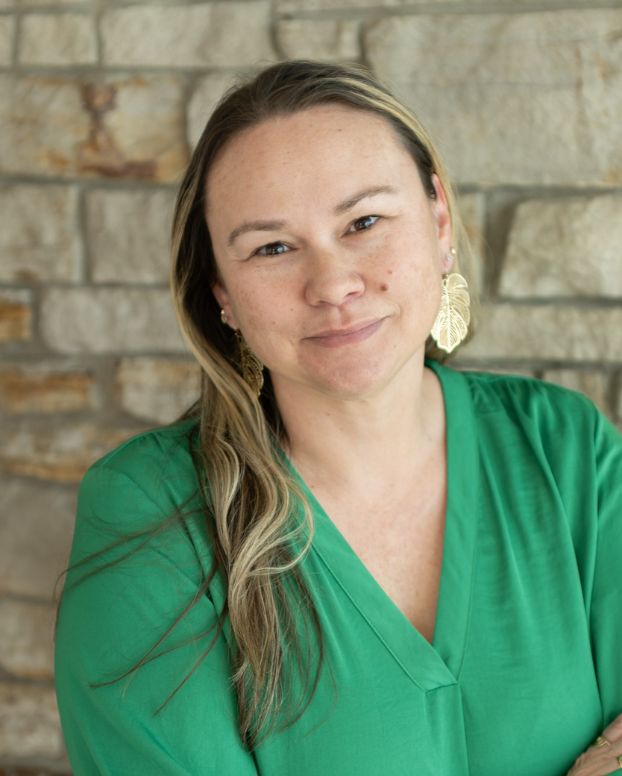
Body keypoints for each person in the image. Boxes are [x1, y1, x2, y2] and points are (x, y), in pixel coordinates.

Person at [54, 60, 622, 775]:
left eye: (364, 222)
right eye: (272, 247)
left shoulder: (565, 450)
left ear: (439, 223)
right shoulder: (152, 513)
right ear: (223, 294)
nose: (332, 285)